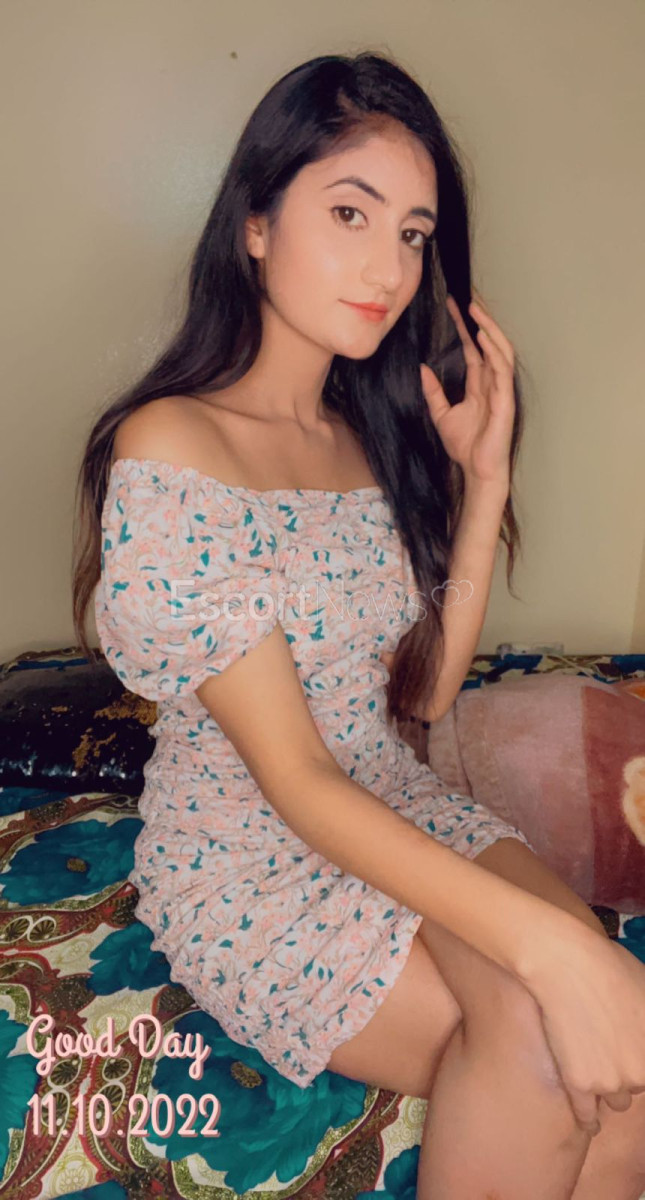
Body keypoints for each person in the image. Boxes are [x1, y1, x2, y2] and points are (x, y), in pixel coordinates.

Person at [72, 51, 645, 1198]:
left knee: (621, 1068)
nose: (389, 266)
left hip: (391, 797)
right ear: (255, 223)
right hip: (254, 857)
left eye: (414, 234)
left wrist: (483, 478)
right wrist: (551, 945)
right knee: (547, 1038)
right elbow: (295, 776)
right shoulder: (173, 446)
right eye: (351, 213)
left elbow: (419, 699)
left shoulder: (361, 435)